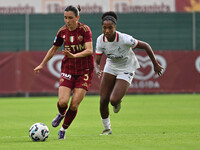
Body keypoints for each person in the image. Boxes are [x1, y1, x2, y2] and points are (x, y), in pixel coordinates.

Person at [95, 11, 163, 135]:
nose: (107, 31)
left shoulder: (125, 39)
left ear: (115, 27)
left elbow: (146, 46)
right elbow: (97, 61)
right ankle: (107, 129)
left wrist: (155, 64)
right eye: (104, 28)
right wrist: (97, 68)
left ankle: (118, 101)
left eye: (110, 28)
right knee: (103, 100)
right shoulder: (100, 40)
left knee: (113, 100)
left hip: (127, 68)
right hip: (111, 66)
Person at [34, 5, 94, 139]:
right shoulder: (62, 31)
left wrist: (74, 56)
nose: (67, 21)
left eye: (71, 18)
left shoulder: (85, 30)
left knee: (74, 105)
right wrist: (42, 64)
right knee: (62, 102)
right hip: (68, 69)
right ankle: (61, 114)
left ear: (77, 18)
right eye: (65, 18)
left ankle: (63, 129)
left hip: (84, 71)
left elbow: (89, 50)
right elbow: (54, 48)